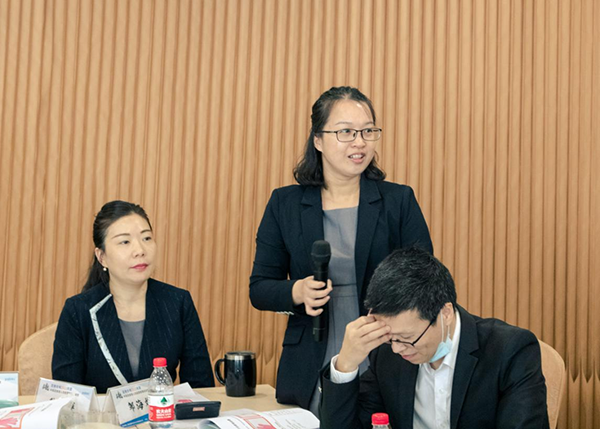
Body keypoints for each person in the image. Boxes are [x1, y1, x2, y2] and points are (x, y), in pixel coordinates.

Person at [249, 86, 433, 412]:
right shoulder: (285, 204)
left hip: (386, 353)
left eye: (368, 131)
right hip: (310, 357)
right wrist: (297, 291)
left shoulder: (398, 201)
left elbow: (425, 281)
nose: (359, 142)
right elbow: (260, 288)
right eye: (346, 132)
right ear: (318, 140)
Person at [320, 247, 549, 429]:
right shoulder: (387, 353)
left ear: (445, 313)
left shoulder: (510, 351)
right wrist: (346, 365)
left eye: (407, 337)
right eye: (390, 338)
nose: (398, 349)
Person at [52, 200, 214, 393]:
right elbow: (68, 397)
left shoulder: (178, 302)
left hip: (161, 411)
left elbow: (202, 388)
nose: (140, 251)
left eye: (146, 238)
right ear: (102, 256)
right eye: (125, 242)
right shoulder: (78, 311)